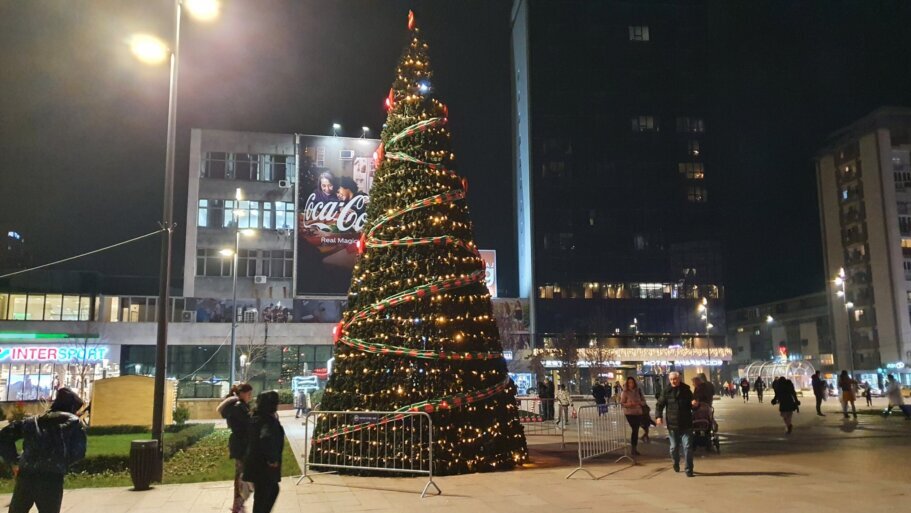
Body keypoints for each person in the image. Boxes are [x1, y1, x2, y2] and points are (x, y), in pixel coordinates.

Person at [0, 388, 86, 513]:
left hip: (26, 475)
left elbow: (3, 437)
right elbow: (79, 452)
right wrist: (61, 462)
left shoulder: (32, 422)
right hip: (51, 477)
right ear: (73, 407)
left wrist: (15, 461)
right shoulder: (74, 423)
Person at [243, 391, 285, 513]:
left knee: (268, 492)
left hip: (255, 464)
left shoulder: (256, 417)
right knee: (265, 495)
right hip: (263, 467)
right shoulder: (268, 420)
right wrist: (272, 459)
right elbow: (266, 438)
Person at [218, 383, 255, 513]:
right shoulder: (238, 407)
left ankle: (238, 504)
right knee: (243, 475)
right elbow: (249, 423)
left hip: (240, 444)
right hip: (241, 445)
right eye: (248, 393)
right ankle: (238, 505)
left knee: (241, 475)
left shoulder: (238, 406)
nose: (250, 396)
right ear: (241, 393)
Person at [656, 371, 695, 477]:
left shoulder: (686, 390)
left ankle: (689, 469)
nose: (673, 381)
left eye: (675, 379)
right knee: (674, 448)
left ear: (679, 379)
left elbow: (692, 403)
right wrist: (658, 416)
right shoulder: (666, 391)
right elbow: (659, 405)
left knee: (687, 446)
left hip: (686, 423)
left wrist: (694, 404)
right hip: (673, 424)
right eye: (671, 379)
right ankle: (676, 463)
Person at [620, 377, 646, 456]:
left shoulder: (638, 391)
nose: (631, 384)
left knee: (636, 430)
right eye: (629, 383)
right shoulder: (625, 392)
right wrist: (629, 404)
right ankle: (633, 449)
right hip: (629, 413)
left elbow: (644, 401)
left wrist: (640, 403)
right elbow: (622, 403)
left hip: (638, 412)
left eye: (632, 382)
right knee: (634, 429)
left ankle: (634, 448)